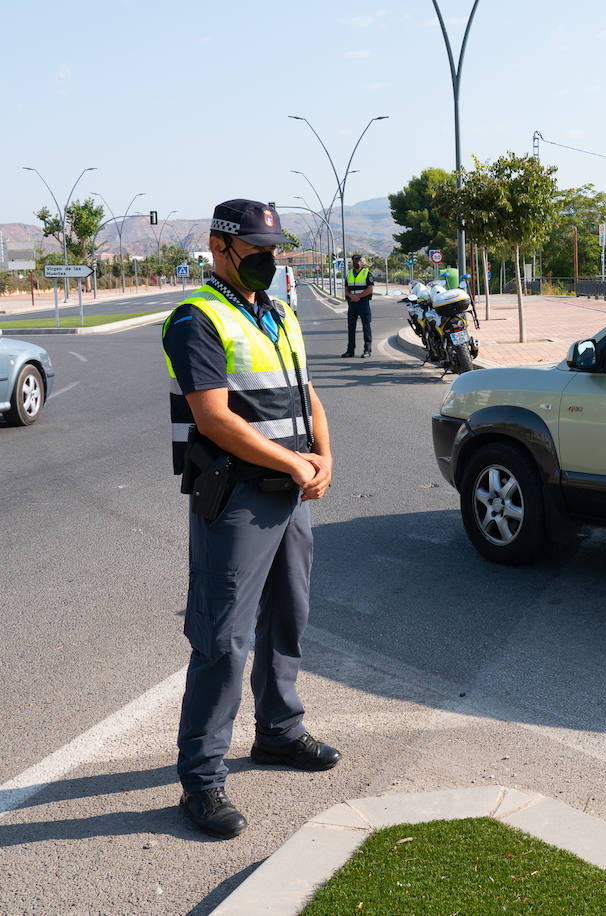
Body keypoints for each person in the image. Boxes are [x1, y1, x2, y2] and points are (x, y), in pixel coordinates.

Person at [161, 198, 339, 839]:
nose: (268, 260)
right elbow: (213, 417)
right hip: (236, 497)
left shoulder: (279, 312)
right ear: (219, 247)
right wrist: (293, 466)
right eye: (256, 251)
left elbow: (306, 392)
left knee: (289, 615)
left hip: (289, 494)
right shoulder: (196, 320)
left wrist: (321, 454)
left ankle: (280, 732)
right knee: (223, 639)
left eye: (274, 251)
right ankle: (202, 779)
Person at [342, 253, 374, 357]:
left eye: (358, 261)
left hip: (363, 303)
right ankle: (350, 351)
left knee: (366, 327)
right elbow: (346, 289)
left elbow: (370, 289)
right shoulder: (349, 273)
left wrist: (358, 296)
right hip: (352, 304)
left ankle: (367, 350)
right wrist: (351, 296)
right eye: (354, 261)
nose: (356, 263)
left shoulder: (367, 273)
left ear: (362, 262)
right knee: (351, 328)